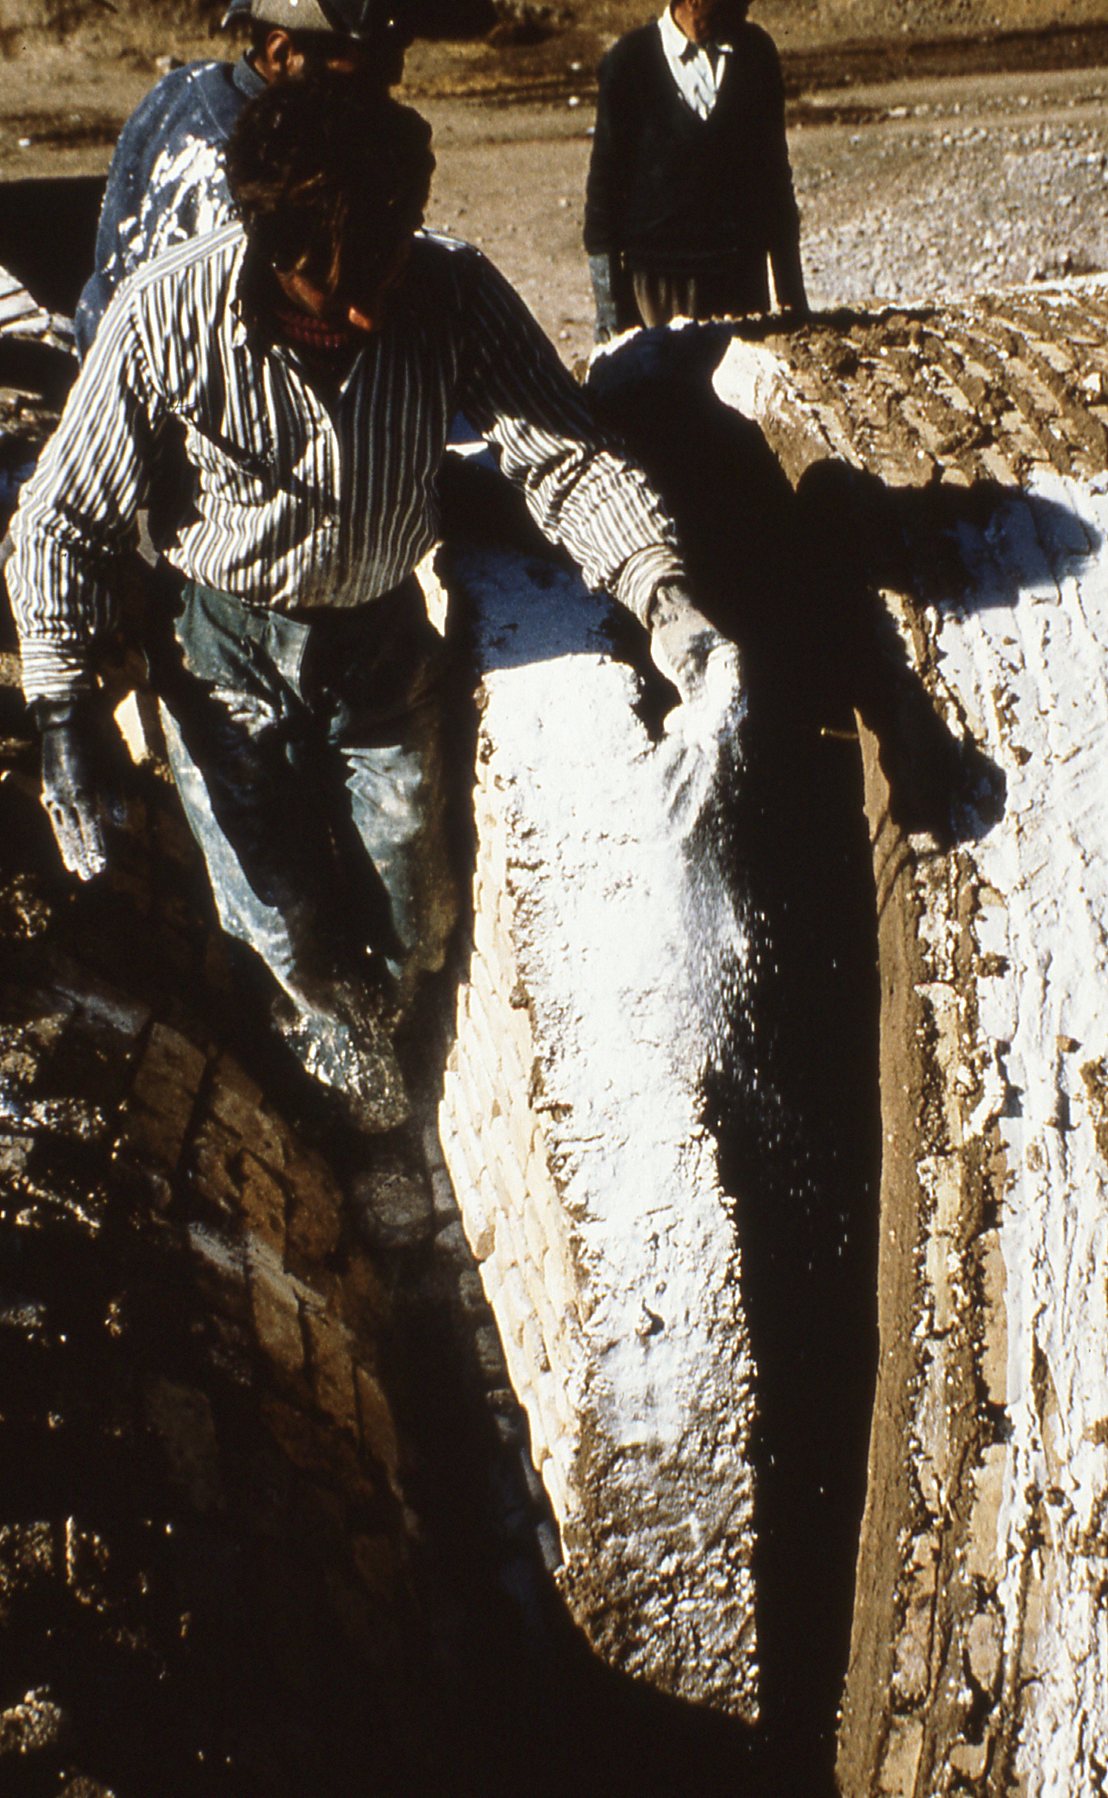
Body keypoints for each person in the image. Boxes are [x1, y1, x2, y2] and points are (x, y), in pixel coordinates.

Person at [8, 79, 738, 1131]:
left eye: (386, 268)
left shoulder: (448, 291)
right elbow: (62, 515)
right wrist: (62, 708)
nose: (366, 310)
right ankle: (344, 1111)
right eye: (332, 287)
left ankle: (395, 1060)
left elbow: (565, 457)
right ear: (269, 248)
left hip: (377, 637)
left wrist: (660, 593)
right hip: (221, 649)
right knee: (277, 918)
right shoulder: (168, 314)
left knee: (416, 910)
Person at [74, 0, 415, 357]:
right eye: (359, 85)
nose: (376, 108)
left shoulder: (188, 82)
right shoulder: (251, 181)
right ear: (280, 53)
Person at [583, 0, 807, 341]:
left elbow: (774, 177)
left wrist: (792, 296)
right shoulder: (629, 61)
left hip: (740, 278)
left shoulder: (755, 53)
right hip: (659, 283)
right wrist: (608, 312)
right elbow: (604, 191)